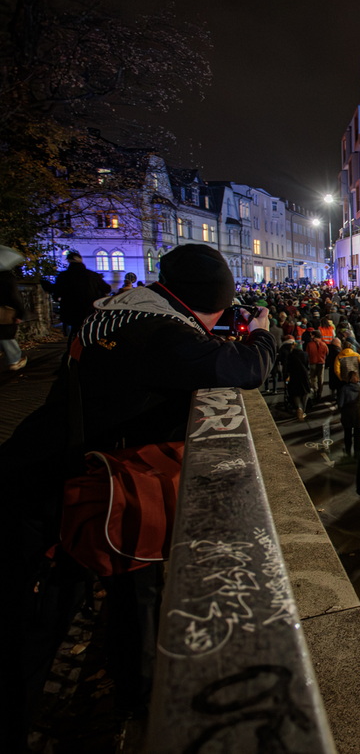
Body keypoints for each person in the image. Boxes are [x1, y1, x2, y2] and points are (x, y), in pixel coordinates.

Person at [6, 243, 274, 718]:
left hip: (58, 468)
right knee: (42, 618)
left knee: (102, 594)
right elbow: (245, 367)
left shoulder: (124, 312)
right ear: (206, 303)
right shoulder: (160, 334)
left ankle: (125, 686)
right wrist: (262, 334)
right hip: (57, 488)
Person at [40, 249, 110, 344]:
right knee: (90, 331)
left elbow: (56, 291)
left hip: (71, 310)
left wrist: (44, 284)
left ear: (69, 261)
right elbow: (106, 288)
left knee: (74, 331)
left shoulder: (64, 276)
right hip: (90, 310)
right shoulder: (93, 275)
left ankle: (73, 347)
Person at [0, 248, 29, 370]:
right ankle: (14, 360)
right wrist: (20, 314)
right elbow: (13, 296)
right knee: (7, 336)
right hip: (5, 311)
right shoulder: (6, 277)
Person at [338, 371, 360, 457]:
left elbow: (340, 403)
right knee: (357, 435)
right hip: (359, 414)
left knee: (347, 434)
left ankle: (348, 452)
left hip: (347, 414)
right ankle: (357, 453)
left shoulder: (344, 389)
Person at [284, 338, 311, 421]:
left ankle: (299, 407)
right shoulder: (305, 354)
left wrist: (286, 376)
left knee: (296, 394)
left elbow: (287, 367)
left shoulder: (291, 355)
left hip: (294, 376)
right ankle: (303, 410)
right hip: (304, 376)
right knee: (305, 393)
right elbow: (307, 365)